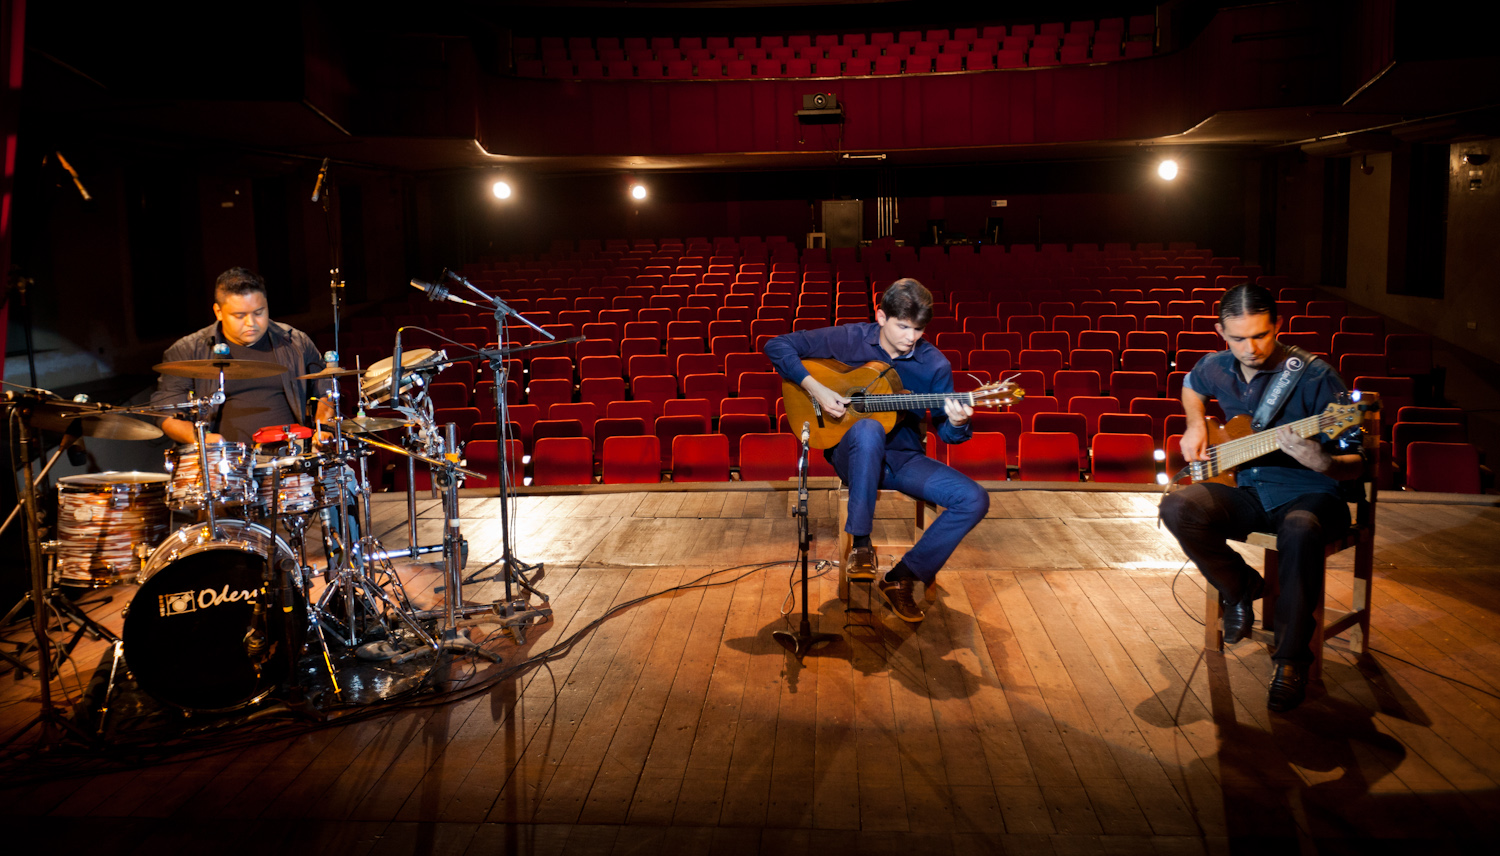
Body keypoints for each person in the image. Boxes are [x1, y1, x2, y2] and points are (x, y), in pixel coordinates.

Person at [1159, 282, 1364, 712]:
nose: (1250, 348)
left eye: (1260, 335)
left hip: (1310, 495)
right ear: (1221, 332)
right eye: (1238, 338)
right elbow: (1192, 385)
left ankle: (1290, 661)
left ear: (1278, 327)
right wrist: (1194, 423)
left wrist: (1324, 461)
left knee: (1300, 528)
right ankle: (1242, 589)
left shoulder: (1316, 377)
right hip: (1248, 490)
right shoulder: (1217, 366)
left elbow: (1358, 462)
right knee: (1178, 505)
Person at [764, 278, 988, 624]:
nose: (911, 337)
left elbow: (947, 433)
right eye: (902, 326)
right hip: (850, 454)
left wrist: (958, 423)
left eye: (918, 329)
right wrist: (818, 390)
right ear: (881, 317)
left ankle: (903, 577)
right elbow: (776, 345)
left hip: (903, 458)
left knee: (974, 498)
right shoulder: (850, 337)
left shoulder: (934, 365)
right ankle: (862, 544)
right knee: (867, 427)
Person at [154, 267, 334, 445]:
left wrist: (323, 429)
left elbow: (327, 390)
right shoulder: (187, 350)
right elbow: (168, 415)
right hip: (226, 463)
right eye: (239, 315)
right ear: (218, 312)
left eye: (258, 312)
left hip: (291, 458)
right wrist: (203, 440)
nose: (251, 323)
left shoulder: (295, 342)